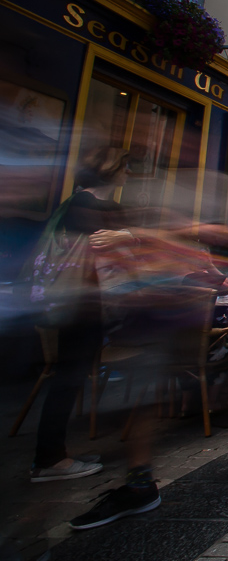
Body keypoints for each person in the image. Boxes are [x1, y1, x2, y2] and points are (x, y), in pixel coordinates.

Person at [26, 148, 127, 484]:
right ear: (110, 174)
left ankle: (53, 454)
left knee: (69, 377)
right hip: (83, 304)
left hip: (75, 302)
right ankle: (50, 459)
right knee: (68, 378)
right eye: (124, 169)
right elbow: (120, 244)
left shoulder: (74, 203)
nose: (127, 175)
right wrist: (131, 235)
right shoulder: (92, 207)